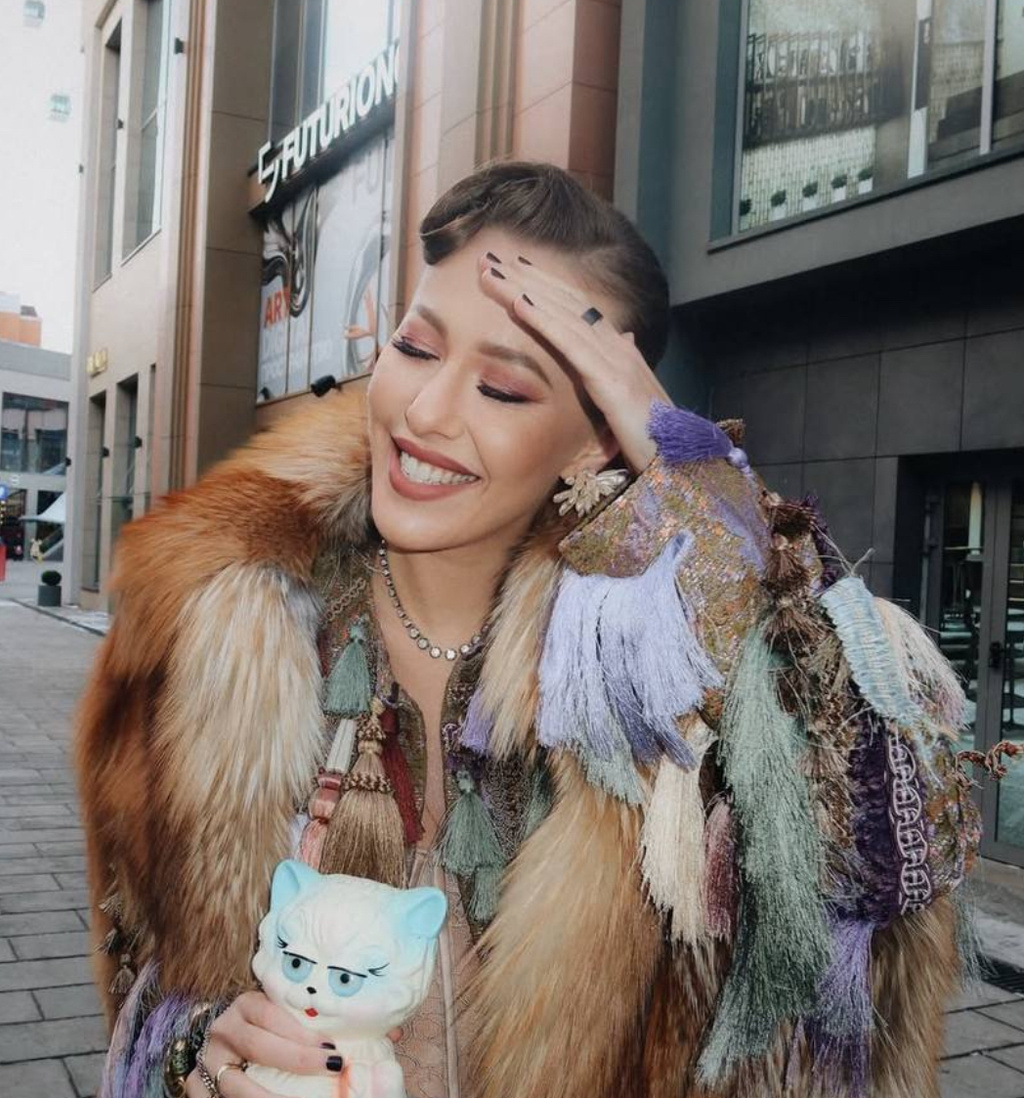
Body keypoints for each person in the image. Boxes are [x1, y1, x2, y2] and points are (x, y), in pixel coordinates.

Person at [76, 161, 981, 1098]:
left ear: (596, 436)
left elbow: (888, 864)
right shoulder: (212, 624)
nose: (425, 412)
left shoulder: (662, 670)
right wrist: (196, 1051)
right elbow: (142, 962)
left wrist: (699, 485)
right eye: (415, 348)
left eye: (503, 390)